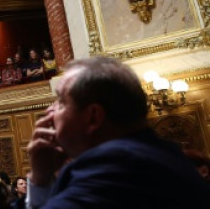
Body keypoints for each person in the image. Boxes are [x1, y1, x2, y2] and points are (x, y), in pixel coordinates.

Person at [26, 56, 210, 207]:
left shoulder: (113, 171)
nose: (49, 111)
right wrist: (41, 178)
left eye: (61, 102)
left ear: (93, 117)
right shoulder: (162, 155)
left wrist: (39, 182)